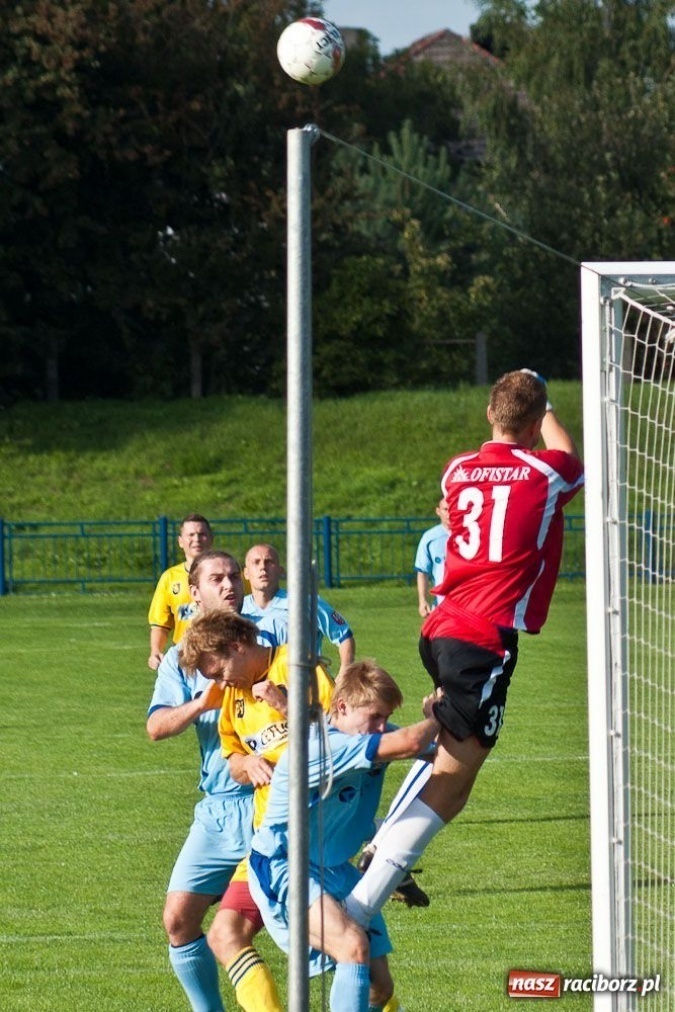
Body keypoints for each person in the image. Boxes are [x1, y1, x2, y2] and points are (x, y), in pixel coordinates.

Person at [344, 369, 585, 929]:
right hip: (483, 637)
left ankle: (376, 850)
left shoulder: (458, 469)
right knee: (452, 785)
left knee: (449, 756)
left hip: (443, 625)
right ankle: (361, 898)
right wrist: (543, 398)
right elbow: (565, 451)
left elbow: (463, 508)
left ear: (487, 415)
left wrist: (530, 402)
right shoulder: (545, 472)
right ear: (533, 422)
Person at [247, 660, 441, 1012]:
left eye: (386, 718)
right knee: (352, 946)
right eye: (375, 717)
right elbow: (413, 742)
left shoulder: (367, 734)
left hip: (334, 868)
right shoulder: (322, 747)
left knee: (379, 988)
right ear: (342, 707)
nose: (382, 727)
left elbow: (435, 753)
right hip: (284, 868)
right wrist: (438, 716)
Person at [179, 608, 340, 1001]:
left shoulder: (296, 665)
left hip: (314, 834)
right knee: (225, 933)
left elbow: (340, 736)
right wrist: (246, 763)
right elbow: (233, 760)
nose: (219, 682)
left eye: (217, 671)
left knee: (342, 946)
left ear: (237, 646)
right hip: (267, 839)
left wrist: (287, 708)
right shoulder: (234, 695)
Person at [147, 550, 283, 1012]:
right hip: (220, 808)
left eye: (233, 577)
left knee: (306, 925)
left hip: (274, 799)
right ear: (194, 589)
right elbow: (156, 727)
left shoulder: (273, 638)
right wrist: (200, 706)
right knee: (178, 919)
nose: (229, 585)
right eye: (216, 578)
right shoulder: (178, 660)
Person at [242, 543, 355, 672]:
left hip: (304, 687)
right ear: (246, 573)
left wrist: (345, 672)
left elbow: (344, 636)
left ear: (280, 571)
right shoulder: (239, 610)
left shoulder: (304, 602)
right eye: (256, 562)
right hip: (257, 688)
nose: (263, 567)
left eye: (269, 562)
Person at [147, 513, 213, 670]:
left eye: (202, 534)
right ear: (180, 541)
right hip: (184, 656)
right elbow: (160, 624)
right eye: (191, 535)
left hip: (221, 653)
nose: (196, 539)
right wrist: (155, 651)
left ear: (211, 538)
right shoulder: (169, 578)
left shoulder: (229, 574)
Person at [414, 498, 451, 617]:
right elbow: (422, 572)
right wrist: (422, 600)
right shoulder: (430, 537)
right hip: (441, 606)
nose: (449, 513)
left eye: (453, 509)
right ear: (438, 511)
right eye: (446, 509)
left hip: (467, 604)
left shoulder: (471, 535)